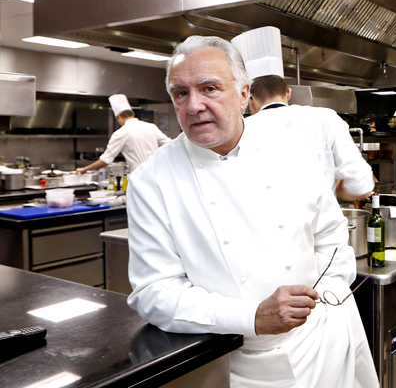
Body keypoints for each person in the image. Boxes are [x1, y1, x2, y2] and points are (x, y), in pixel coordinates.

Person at [125, 35, 379, 388]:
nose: (194, 105)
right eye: (180, 93)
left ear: (244, 94)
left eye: (209, 88)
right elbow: (154, 293)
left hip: (324, 342)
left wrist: (325, 301)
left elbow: (332, 237)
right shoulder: (150, 181)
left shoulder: (292, 147)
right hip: (238, 363)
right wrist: (253, 316)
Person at [231, 26, 374, 201]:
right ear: (288, 92)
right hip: (319, 227)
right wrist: (336, 191)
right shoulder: (326, 118)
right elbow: (361, 185)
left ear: (249, 99)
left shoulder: (241, 130)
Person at [76, 94, 171, 174]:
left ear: (119, 116)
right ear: (132, 114)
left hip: (139, 176)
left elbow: (106, 160)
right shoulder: (151, 127)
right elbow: (169, 144)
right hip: (157, 174)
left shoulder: (121, 133)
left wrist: (85, 169)